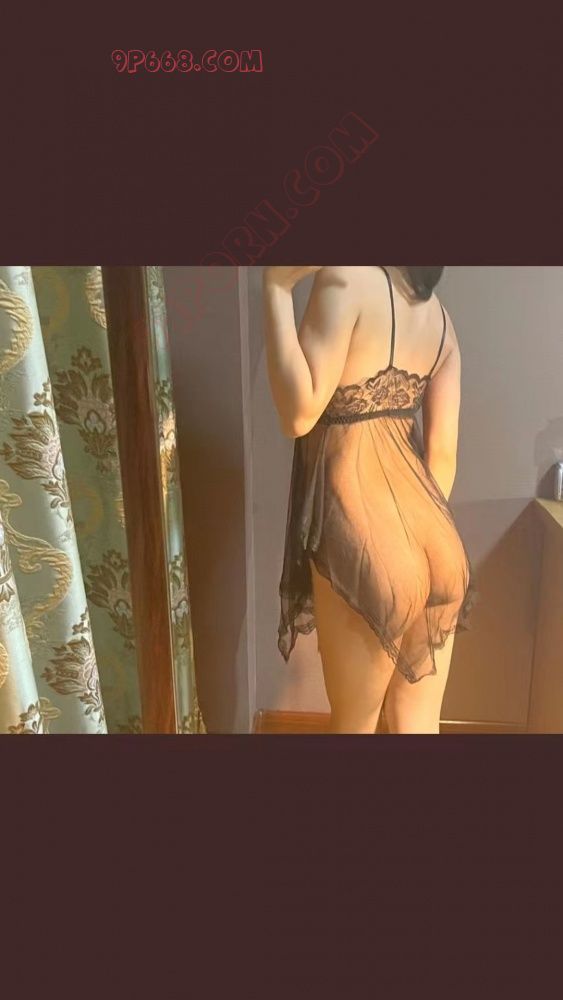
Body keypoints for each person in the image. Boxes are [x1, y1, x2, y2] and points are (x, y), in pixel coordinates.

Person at [263, 265, 477, 735]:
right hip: (437, 542)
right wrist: (411, 542)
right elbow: (443, 458)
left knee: (353, 727)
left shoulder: (345, 280)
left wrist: (276, 289)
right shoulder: (441, 320)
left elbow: (298, 415)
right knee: (418, 725)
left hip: (364, 536)